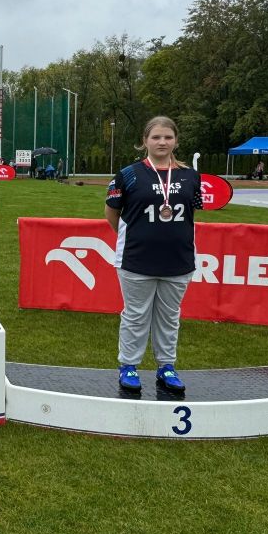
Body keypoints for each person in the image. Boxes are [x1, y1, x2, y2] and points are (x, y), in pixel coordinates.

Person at [104, 116, 203, 394]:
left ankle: (166, 366)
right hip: (136, 259)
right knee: (136, 315)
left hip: (179, 260)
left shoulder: (190, 176)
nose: (162, 142)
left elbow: (192, 212)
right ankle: (128, 366)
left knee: (169, 317)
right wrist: (135, 236)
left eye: (168, 137)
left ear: (176, 141)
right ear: (145, 141)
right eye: (156, 137)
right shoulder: (128, 174)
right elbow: (112, 212)